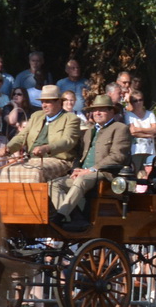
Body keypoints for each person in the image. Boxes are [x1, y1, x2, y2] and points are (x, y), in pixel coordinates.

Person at [51, 94, 132, 223]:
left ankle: (60, 216)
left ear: (111, 111)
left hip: (105, 174)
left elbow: (118, 156)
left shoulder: (120, 128)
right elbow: (80, 154)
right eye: (94, 110)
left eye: (102, 109)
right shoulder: (90, 131)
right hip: (85, 174)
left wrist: (92, 170)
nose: (97, 113)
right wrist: (76, 169)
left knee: (81, 180)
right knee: (53, 184)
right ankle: (74, 217)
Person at [2, 84, 81, 181]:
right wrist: (9, 148)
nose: (44, 105)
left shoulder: (71, 118)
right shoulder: (36, 116)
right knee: (7, 170)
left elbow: (68, 141)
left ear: (59, 102)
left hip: (59, 160)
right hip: (32, 159)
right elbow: (22, 136)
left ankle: (34, 197)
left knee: (35, 172)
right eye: (42, 102)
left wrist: (47, 148)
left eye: (48, 102)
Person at [125, 91, 156, 177]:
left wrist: (138, 130)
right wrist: (148, 135)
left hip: (150, 150)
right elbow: (132, 132)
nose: (138, 103)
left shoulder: (150, 114)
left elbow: (155, 130)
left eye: (140, 100)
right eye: (135, 101)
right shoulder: (128, 115)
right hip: (135, 151)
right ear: (131, 102)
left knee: (149, 174)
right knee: (136, 174)